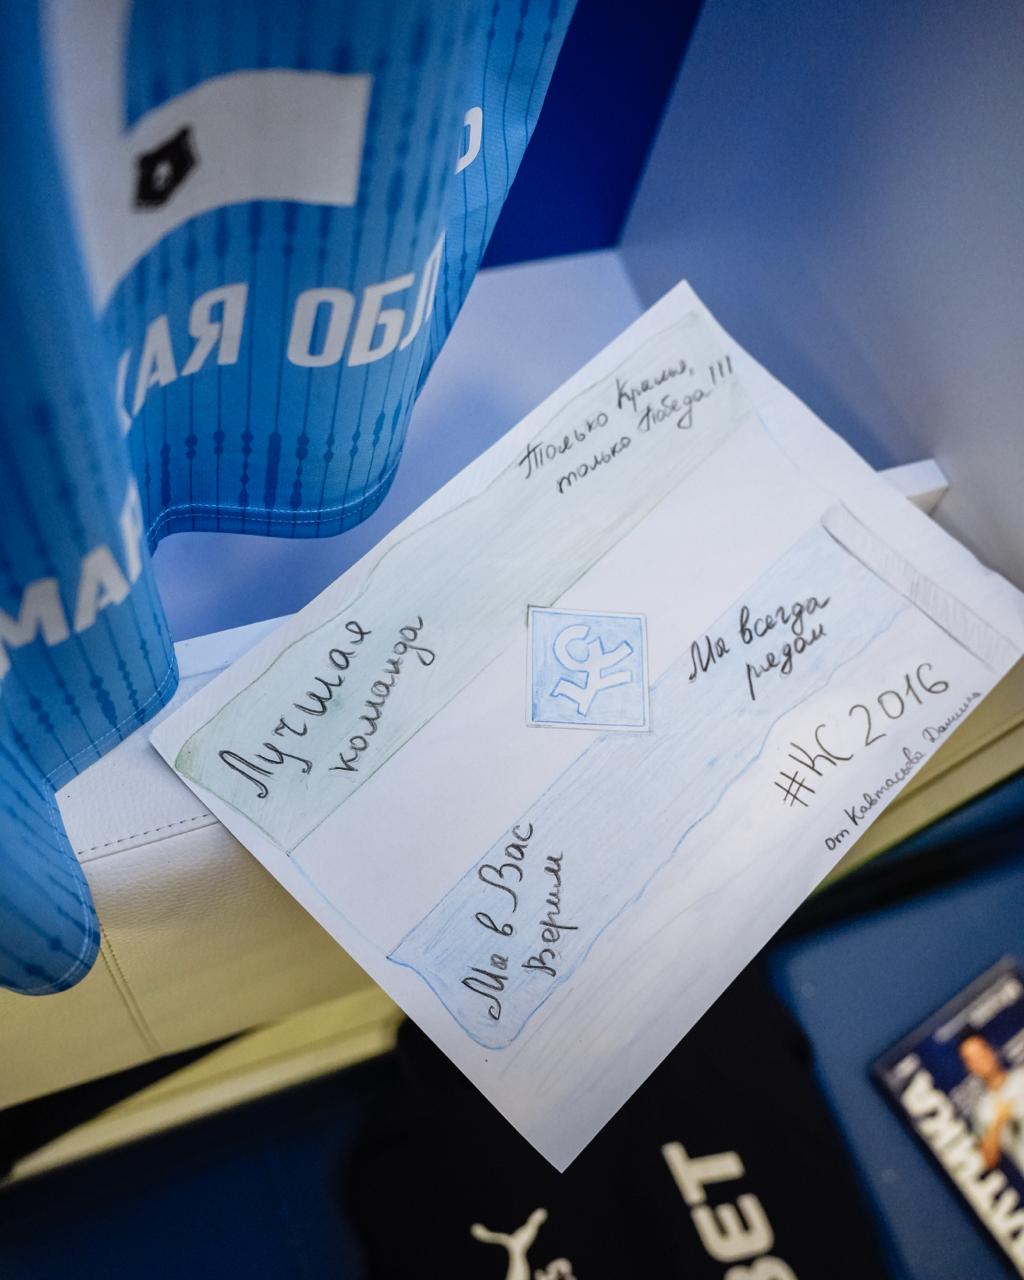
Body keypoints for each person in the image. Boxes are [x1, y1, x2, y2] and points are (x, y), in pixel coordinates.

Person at [958, 1029, 1024, 1172]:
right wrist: (998, 1121)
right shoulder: (982, 1110)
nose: (980, 1061)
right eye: (973, 1059)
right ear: (969, 1067)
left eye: (981, 1053)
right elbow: (988, 1161)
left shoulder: (1022, 1077)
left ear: (991, 1050)